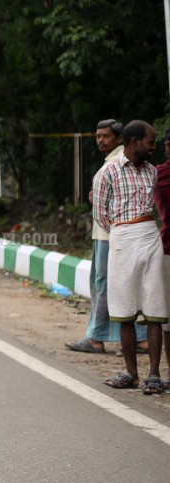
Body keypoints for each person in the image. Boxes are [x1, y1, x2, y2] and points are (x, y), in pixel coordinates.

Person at [95, 120, 166, 394]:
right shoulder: (107, 173)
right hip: (122, 239)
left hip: (150, 237)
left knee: (155, 309)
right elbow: (100, 215)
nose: (154, 146)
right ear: (135, 141)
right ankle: (131, 373)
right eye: (150, 142)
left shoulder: (152, 172)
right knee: (124, 311)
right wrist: (123, 233)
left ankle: (154, 375)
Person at [66, 119, 148, 354]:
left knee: (104, 284)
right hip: (118, 233)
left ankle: (97, 337)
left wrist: (97, 200)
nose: (100, 140)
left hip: (109, 234)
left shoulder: (117, 163)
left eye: (106, 136)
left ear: (120, 139)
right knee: (124, 284)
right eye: (98, 136)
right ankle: (139, 338)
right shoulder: (124, 161)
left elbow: (119, 200)